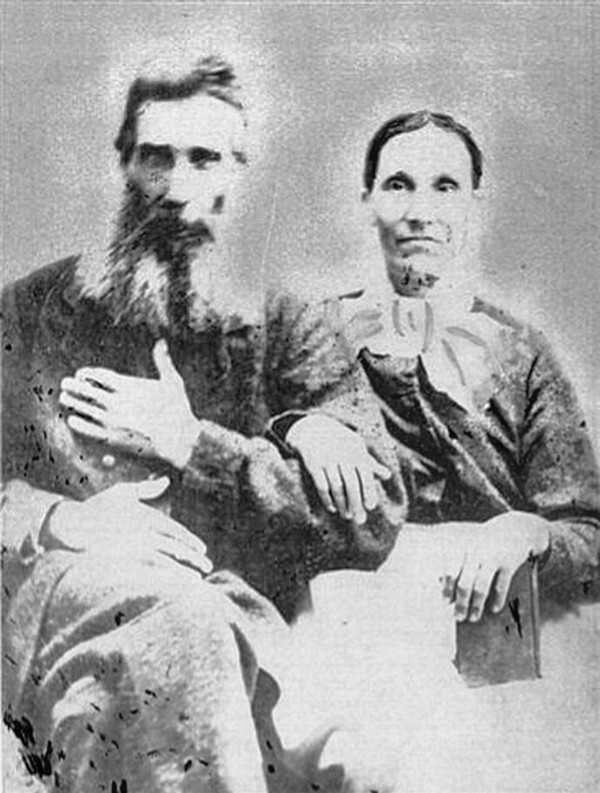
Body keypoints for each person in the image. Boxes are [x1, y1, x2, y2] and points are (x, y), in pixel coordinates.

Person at [1, 55, 406, 793]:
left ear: (238, 174)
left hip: (231, 624)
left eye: (205, 159)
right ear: (125, 164)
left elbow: (374, 517)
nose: (178, 189)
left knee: (204, 645)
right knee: (182, 631)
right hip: (65, 609)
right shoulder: (32, 310)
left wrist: (192, 445)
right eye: (157, 157)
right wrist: (60, 519)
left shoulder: (289, 322)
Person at [330, 109, 599, 620]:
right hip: (347, 621)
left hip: (493, 624)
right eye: (398, 185)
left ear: (473, 205)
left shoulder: (521, 352)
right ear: (368, 202)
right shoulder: (315, 335)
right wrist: (298, 427)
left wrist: (530, 532)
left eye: (445, 187)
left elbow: (590, 539)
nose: (420, 211)